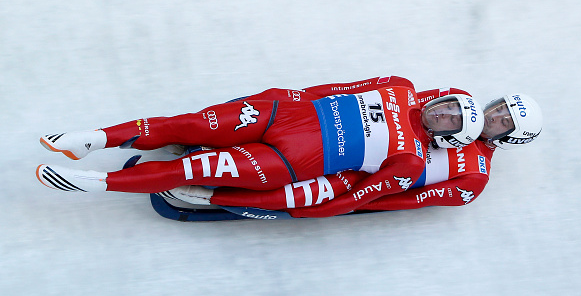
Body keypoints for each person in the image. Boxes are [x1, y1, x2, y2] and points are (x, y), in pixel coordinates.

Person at [36, 77, 484, 217]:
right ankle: (93, 139)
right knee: (186, 124)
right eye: (446, 106)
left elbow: (358, 198)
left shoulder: (408, 159)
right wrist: (288, 94)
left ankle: (97, 183)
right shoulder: (402, 89)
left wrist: (295, 210)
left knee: (193, 169)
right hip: (284, 115)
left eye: (450, 120)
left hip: (290, 160)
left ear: (449, 136)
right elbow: (337, 87)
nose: (441, 112)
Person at [154, 89, 542, 217]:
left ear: (511, 138)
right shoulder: (460, 102)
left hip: (364, 177)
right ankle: (211, 144)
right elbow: (409, 109)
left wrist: (354, 202)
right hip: (364, 142)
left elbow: (404, 200)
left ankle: (211, 197)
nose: (494, 117)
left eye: (504, 121)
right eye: (498, 108)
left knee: (308, 188)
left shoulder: (475, 177)